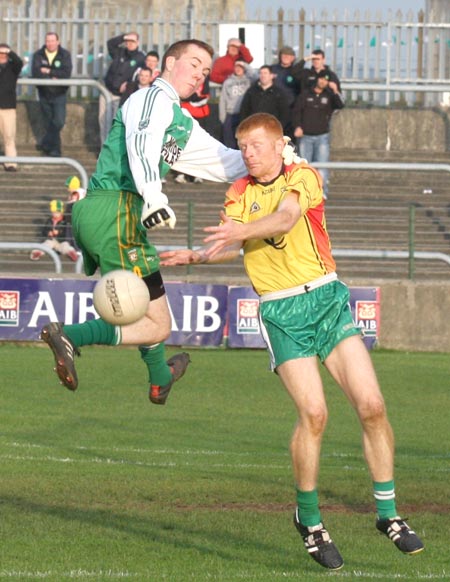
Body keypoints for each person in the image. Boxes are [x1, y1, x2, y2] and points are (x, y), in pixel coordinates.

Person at [159, 113, 425, 571]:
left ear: (281, 144)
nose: (249, 155)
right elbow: (231, 240)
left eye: (258, 146)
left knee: (372, 406)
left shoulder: (302, 175)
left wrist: (238, 233)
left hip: (326, 300)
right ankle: (310, 518)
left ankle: (388, 514)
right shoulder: (239, 191)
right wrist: (198, 255)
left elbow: (285, 219)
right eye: (242, 147)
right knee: (315, 414)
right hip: (282, 312)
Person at [38, 39, 249, 405]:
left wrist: (280, 160)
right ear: (169, 63)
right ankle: (70, 335)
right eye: (193, 63)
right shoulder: (151, 98)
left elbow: (225, 162)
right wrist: (153, 197)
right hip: (117, 210)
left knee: (154, 316)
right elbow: (141, 145)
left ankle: (160, 378)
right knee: (157, 321)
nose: (200, 74)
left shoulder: (179, 118)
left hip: (117, 215)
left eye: (205, 69)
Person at [292, 70, 344, 199]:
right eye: (321, 79)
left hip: (322, 136)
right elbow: (297, 111)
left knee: (322, 166)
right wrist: (298, 126)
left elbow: (341, 105)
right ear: (317, 79)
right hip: (306, 136)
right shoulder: (305, 94)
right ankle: (304, 192)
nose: (323, 82)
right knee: (304, 166)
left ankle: (321, 192)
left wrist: (335, 90)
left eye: (326, 80)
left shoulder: (330, 95)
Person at [99, 32, 145, 143]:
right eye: (128, 41)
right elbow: (110, 43)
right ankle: (103, 149)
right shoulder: (119, 52)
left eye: (132, 41)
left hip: (121, 95)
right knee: (102, 121)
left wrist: (128, 83)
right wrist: (123, 37)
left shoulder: (140, 57)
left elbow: (142, 76)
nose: (130, 43)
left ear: (138, 42)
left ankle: (112, 150)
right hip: (107, 90)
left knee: (115, 122)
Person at [31, 32, 72, 157]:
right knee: (49, 122)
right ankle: (54, 150)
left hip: (59, 93)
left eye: (53, 40)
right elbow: (36, 73)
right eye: (48, 41)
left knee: (58, 121)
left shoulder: (65, 55)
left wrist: (48, 71)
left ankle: (45, 142)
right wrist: (53, 75)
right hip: (44, 92)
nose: (50, 43)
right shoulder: (38, 55)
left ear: (58, 42)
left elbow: (65, 73)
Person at [175, 76, 211, 184]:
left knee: (198, 146)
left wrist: (192, 99)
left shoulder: (205, 79)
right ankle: (180, 173)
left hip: (201, 115)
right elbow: (182, 95)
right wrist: (192, 98)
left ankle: (197, 174)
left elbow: (205, 97)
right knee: (181, 143)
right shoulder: (185, 76)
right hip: (184, 113)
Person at [239, 65, 290, 134]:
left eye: (265, 73)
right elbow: (244, 110)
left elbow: (285, 113)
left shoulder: (279, 93)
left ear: (272, 76)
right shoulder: (252, 91)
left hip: (271, 129)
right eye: (261, 73)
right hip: (253, 128)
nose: (262, 75)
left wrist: (278, 128)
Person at [218, 59, 253, 149]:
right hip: (230, 114)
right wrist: (222, 117)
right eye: (236, 67)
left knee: (243, 139)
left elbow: (255, 75)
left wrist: (244, 64)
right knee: (229, 141)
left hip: (244, 115)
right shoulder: (228, 82)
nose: (238, 69)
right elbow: (223, 100)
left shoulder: (248, 81)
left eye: (241, 67)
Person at [0, 43, 23, 172]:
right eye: (0, 53)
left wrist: (9, 51)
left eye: (4, 54)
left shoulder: (13, 68)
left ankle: (11, 163)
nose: (2, 56)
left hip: (8, 107)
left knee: (9, 136)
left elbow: (19, 62)